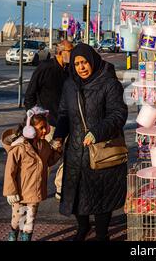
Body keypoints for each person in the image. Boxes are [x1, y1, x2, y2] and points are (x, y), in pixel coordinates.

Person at [53, 43, 128, 241]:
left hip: (101, 150)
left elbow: (118, 114)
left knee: (101, 196)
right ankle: (83, 228)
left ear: (92, 61)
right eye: (77, 63)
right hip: (76, 151)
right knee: (77, 195)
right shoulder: (70, 84)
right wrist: (58, 136)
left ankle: (102, 233)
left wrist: (97, 132)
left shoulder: (109, 83)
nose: (81, 67)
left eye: (84, 62)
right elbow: (63, 114)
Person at [2, 106, 62, 241]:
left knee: (29, 222)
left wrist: (57, 151)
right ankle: (13, 235)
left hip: (34, 192)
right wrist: (10, 191)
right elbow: (9, 171)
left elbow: (49, 161)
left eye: (45, 127)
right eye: (41, 128)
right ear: (30, 129)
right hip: (19, 192)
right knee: (17, 220)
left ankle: (25, 237)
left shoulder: (43, 145)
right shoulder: (19, 148)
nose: (45, 130)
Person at [24, 40, 74, 199]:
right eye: (70, 51)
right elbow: (30, 94)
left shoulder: (70, 70)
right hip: (49, 125)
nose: (72, 54)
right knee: (45, 158)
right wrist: (35, 119)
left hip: (68, 122)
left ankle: (60, 187)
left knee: (70, 157)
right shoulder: (45, 68)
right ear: (60, 53)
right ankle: (35, 188)